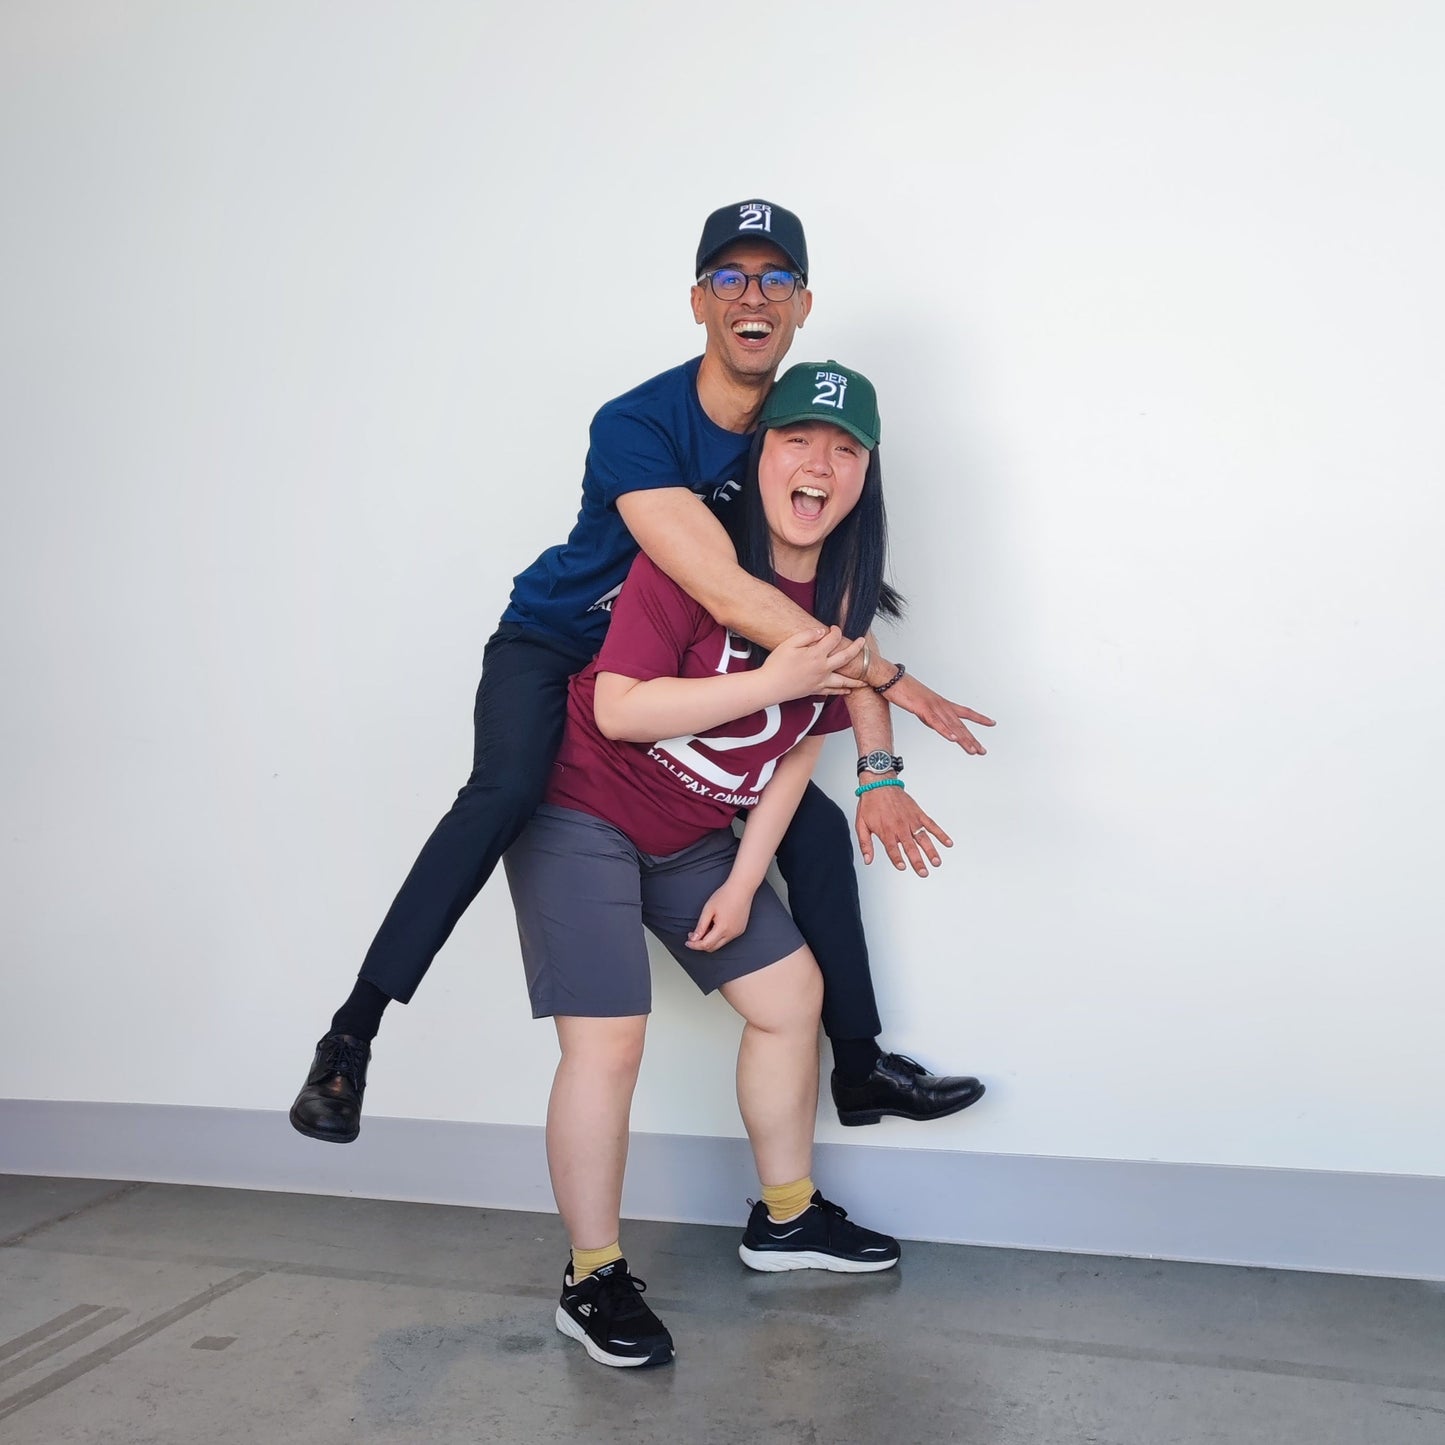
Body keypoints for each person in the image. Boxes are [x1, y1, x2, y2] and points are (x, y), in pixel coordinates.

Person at [289, 200, 994, 1145]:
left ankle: (859, 1066)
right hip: (559, 643)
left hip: (673, 665)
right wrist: (883, 673)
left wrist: (878, 761)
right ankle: (352, 1033)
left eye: (776, 280)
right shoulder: (635, 423)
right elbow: (717, 583)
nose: (756, 296)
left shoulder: (790, 434)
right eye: (732, 279)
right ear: (699, 301)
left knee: (812, 829)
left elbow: (824, 603)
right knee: (503, 793)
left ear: (802, 304)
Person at [506, 360, 906, 1369]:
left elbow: (795, 751)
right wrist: (769, 676)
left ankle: (784, 1217)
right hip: (579, 808)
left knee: (790, 992)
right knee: (609, 1041)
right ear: (757, 456)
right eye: (795, 440)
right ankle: (589, 1275)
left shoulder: (843, 606)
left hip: (692, 836)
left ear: (862, 475)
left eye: (843, 447)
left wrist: (740, 878)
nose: (818, 462)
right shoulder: (690, 561)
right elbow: (618, 707)